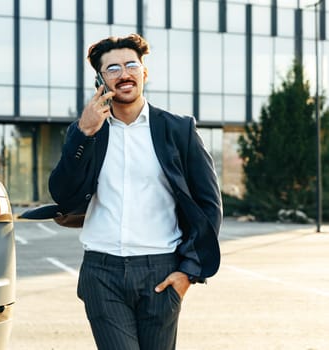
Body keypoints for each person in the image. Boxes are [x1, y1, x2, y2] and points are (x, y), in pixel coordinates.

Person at [47, 34, 222, 349]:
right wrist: (83, 134)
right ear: (100, 80)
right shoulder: (85, 130)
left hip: (162, 270)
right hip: (102, 271)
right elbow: (62, 191)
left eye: (131, 64)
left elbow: (208, 204)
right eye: (112, 68)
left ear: (144, 72)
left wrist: (188, 272)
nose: (123, 73)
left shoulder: (178, 130)